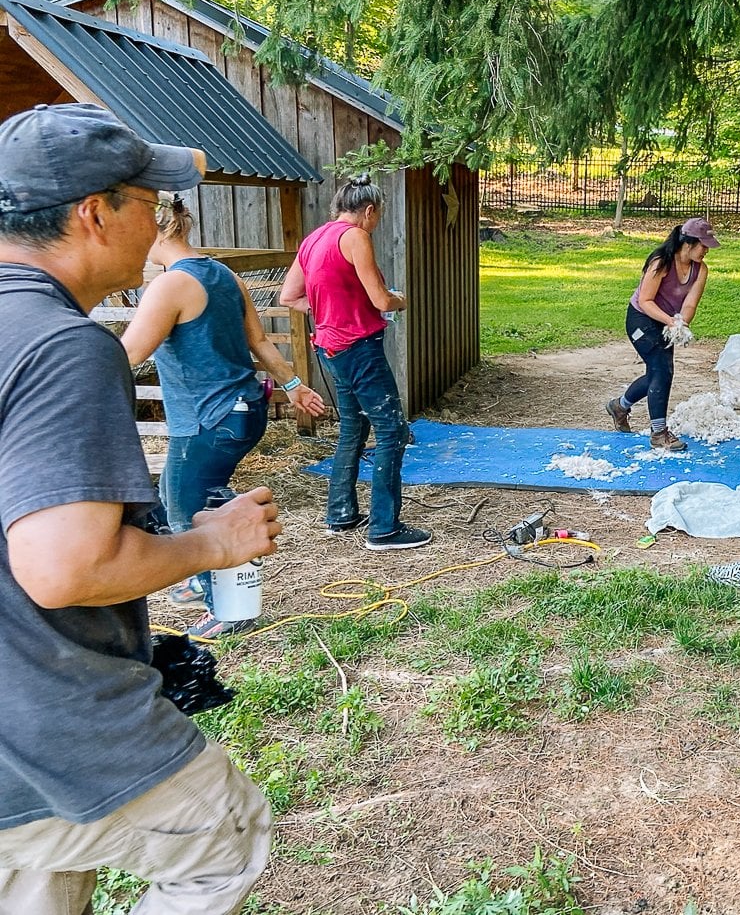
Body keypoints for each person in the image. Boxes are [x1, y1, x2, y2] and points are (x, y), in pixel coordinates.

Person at [0, 103, 279, 913]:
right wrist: (209, 543)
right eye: (145, 199)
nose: (157, 218)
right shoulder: (63, 346)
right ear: (94, 214)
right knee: (225, 838)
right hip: (51, 708)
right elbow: (66, 565)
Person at [121, 194, 326, 638]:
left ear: (152, 230)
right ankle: (202, 583)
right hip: (243, 411)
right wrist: (293, 386)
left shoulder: (170, 285)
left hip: (206, 419)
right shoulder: (225, 275)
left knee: (190, 514)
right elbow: (261, 342)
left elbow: (128, 354)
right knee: (179, 493)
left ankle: (228, 610)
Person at [280, 175, 430, 551]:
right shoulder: (355, 237)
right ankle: (384, 528)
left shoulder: (314, 239)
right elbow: (380, 299)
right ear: (368, 210)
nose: (375, 223)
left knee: (352, 427)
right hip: (359, 348)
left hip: (329, 347)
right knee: (392, 430)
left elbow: (289, 297)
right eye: (376, 216)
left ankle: (341, 512)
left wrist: (332, 308)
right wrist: (401, 299)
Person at [605, 217, 720, 451]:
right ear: (688, 242)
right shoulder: (661, 262)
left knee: (659, 373)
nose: (706, 250)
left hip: (666, 322)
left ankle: (620, 405)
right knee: (661, 370)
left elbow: (690, 304)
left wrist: (681, 322)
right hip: (641, 318)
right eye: (703, 245)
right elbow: (646, 301)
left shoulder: (701, 270)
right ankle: (658, 433)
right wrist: (670, 320)